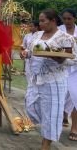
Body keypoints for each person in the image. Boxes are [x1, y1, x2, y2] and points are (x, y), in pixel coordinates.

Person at [21, 9, 77, 150]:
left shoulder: (65, 38)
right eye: (39, 21)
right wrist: (25, 54)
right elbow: (33, 51)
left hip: (54, 82)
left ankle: (46, 145)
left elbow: (73, 59)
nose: (40, 24)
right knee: (30, 105)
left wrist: (57, 58)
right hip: (36, 79)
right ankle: (47, 124)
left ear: (53, 21)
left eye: (43, 21)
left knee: (52, 114)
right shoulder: (38, 35)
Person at [59, 8, 77, 140]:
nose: (67, 21)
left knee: (76, 98)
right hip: (61, 69)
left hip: (76, 70)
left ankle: (74, 128)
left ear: (74, 18)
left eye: (69, 18)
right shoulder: (59, 31)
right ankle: (60, 120)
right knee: (60, 97)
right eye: (64, 18)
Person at [21, 20, 40, 85]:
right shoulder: (27, 36)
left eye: (31, 26)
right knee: (28, 74)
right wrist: (23, 52)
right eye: (29, 26)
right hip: (27, 58)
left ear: (36, 27)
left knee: (35, 76)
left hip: (36, 57)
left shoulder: (40, 35)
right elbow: (23, 46)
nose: (30, 28)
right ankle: (29, 92)